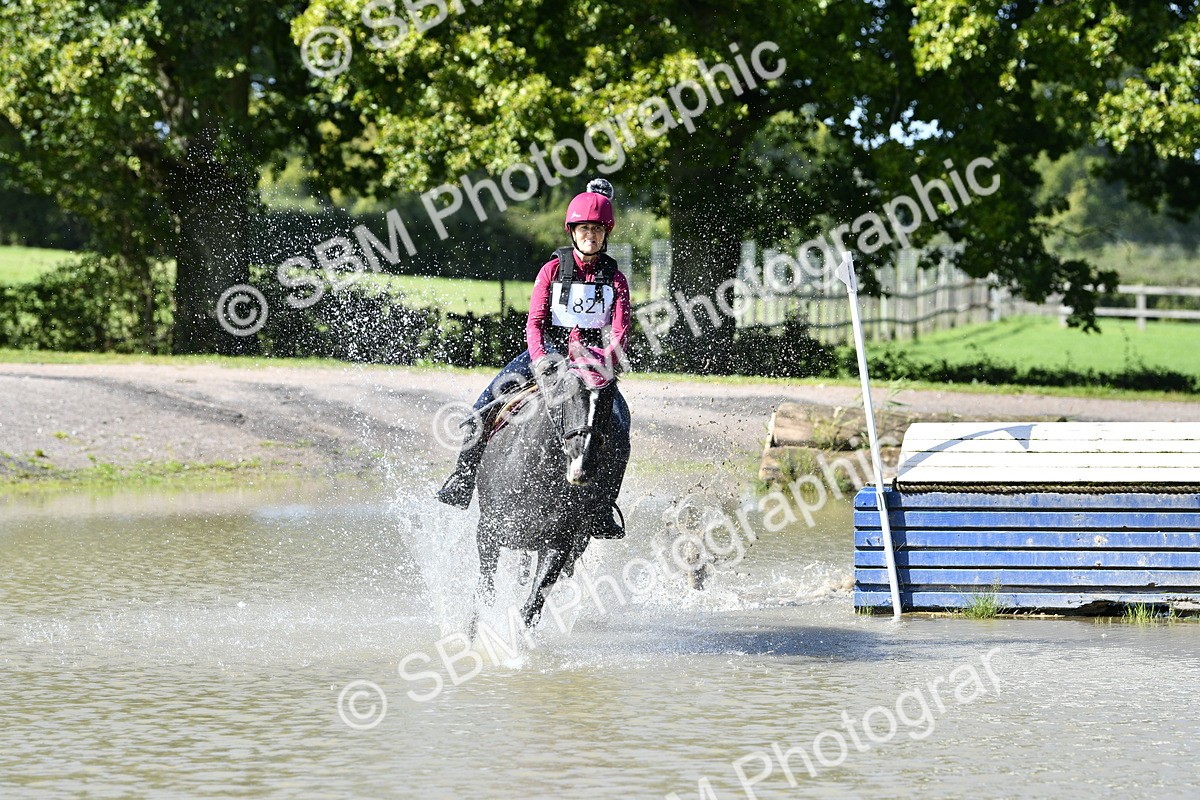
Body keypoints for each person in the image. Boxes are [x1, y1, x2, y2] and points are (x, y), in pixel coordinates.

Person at [435, 178, 632, 538]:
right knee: (485, 404)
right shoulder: (552, 270)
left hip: (592, 358)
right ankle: (463, 480)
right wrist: (541, 359)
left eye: (597, 231)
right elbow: (535, 322)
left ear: (606, 235)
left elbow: (620, 329)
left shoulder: (615, 278)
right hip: (547, 352)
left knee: (620, 425)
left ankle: (602, 509)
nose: (591, 236)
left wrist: (605, 359)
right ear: (573, 232)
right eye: (585, 229)